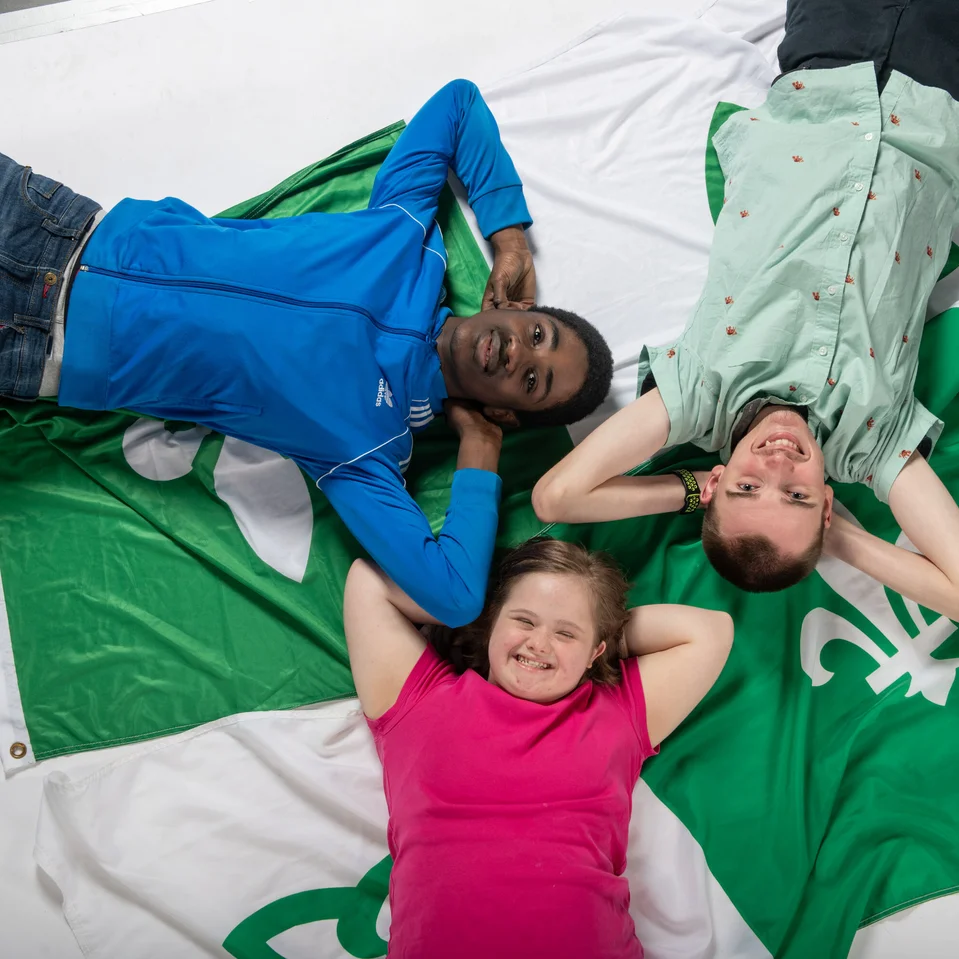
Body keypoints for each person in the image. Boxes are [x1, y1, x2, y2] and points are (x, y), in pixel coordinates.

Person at [0, 80, 613, 626]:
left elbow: (454, 596)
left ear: (506, 411)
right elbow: (459, 104)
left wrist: (480, 451)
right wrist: (510, 241)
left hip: (34, 346)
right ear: (516, 309)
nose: (519, 356)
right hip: (56, 226)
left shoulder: (367, 449)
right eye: (539, 336)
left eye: (533, 382)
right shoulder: (404, 235)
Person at [533, 0, 959, 621]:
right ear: (825, 502)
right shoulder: (872, 444)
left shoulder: (700, 393)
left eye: (747, 486)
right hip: (936, 93)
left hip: (830, 69)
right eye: (797, 497)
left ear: (721, 476)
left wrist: (683, 491)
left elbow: (556, 497)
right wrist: (841, 542)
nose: (778, 463)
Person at [344, 536, 732, 958]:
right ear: (493, 620)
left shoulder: (616, 715)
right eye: (524, 622)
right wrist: (468, 607)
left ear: (595, 651)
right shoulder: (418, 701)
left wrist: (592, 646)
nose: (539, 644)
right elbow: (368, 583)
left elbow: (710, 632)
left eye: (565, 633)